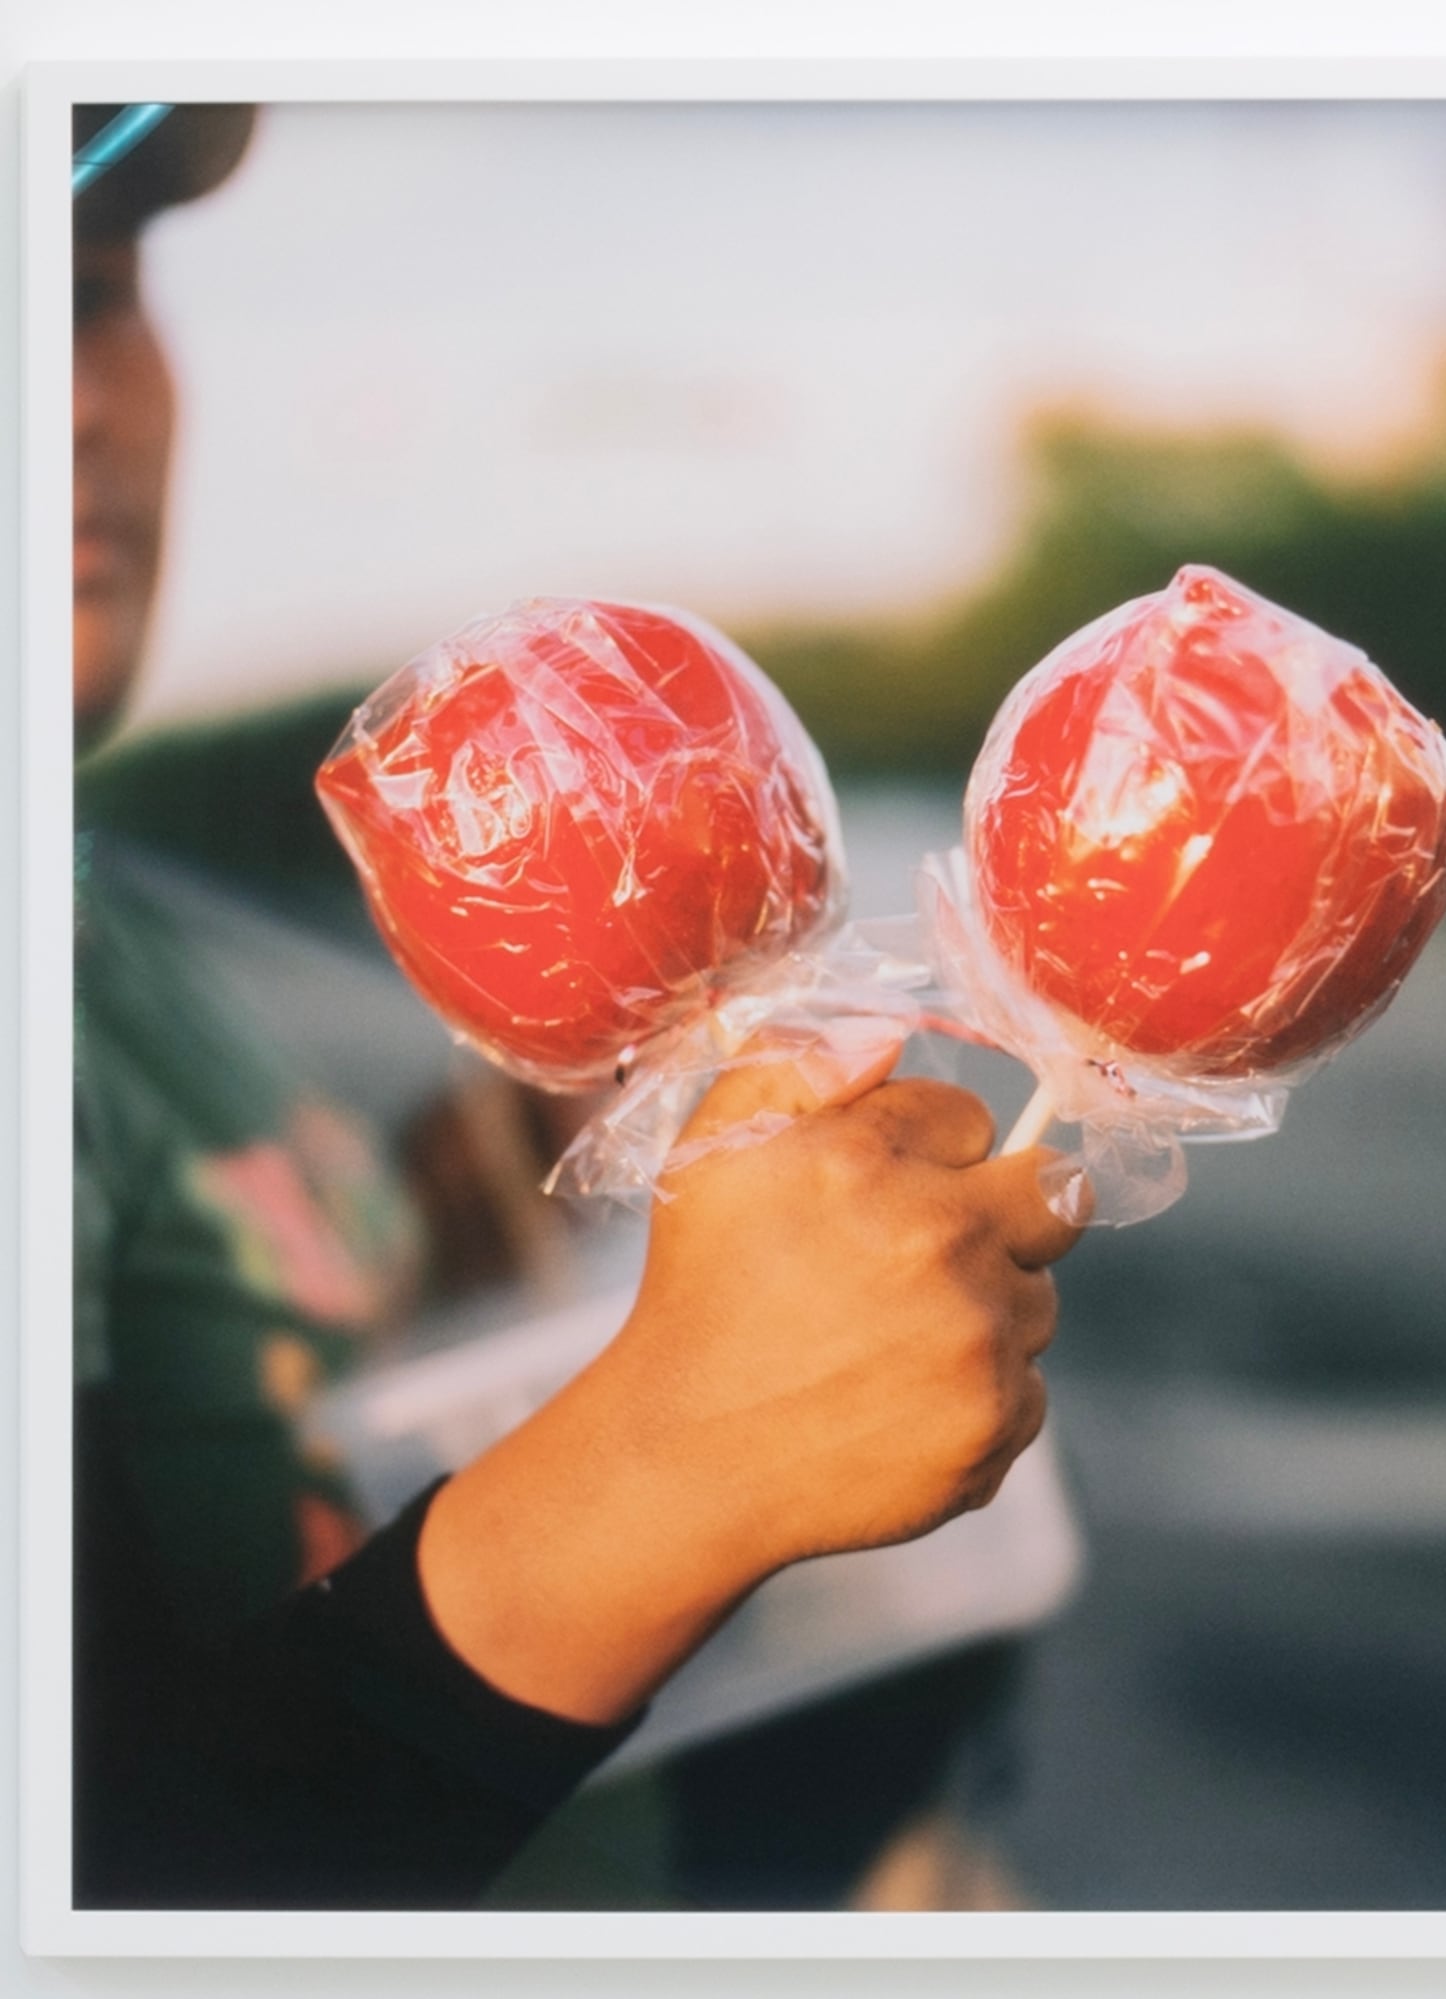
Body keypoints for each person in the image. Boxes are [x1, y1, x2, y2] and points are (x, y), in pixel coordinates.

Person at [70, 104, 1087, 1912]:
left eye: (91, 289)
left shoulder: (96, 935)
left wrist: (449, 1241)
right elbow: (103, 1877)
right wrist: (676, 1461)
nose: (72, 398)